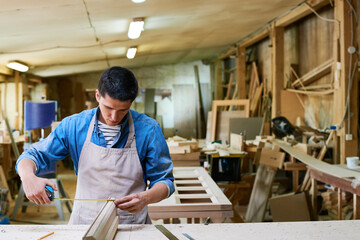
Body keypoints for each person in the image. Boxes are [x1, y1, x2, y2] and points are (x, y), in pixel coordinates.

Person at [16, 66, 175, 224]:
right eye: (109, 108)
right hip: (85, 223)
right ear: (97, 96)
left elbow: (165, 181)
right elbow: (33, 155)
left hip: (131, 224)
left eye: (122, 110)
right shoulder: (75, 126)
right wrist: (28, 177)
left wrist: (145, 198)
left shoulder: (148, 130)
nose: (114, 117)